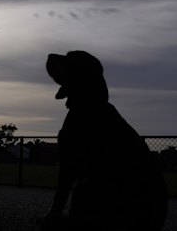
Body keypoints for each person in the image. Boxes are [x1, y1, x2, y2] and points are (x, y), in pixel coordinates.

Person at [39, 51, 168, 230]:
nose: (53, 57)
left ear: (76, 80)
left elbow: (68, 170)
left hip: (126, 213)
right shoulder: (104, 115)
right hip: (149, 213)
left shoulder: (84, 117)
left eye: (69, 63)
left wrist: (55, 210)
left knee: (82, 194)